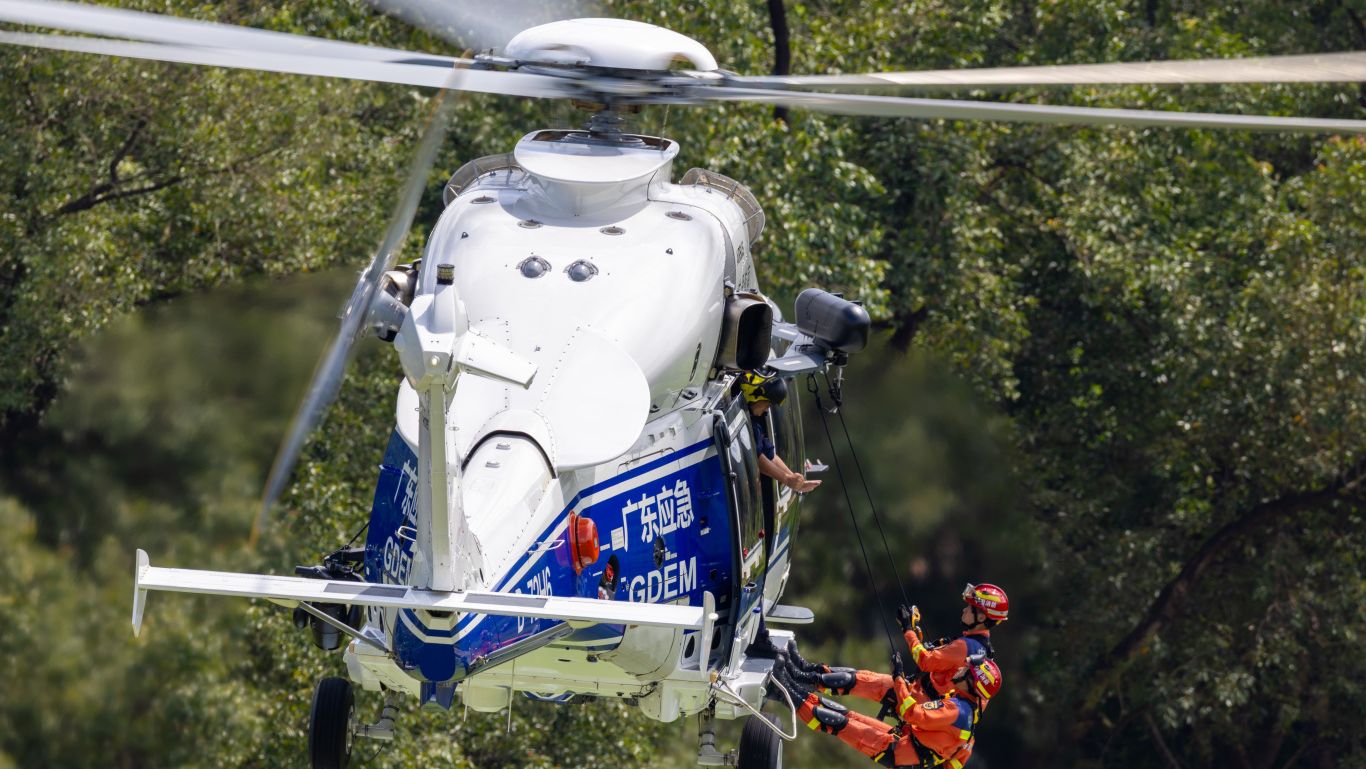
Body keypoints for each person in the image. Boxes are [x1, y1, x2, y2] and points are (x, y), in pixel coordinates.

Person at [785, 583, 1009, 714]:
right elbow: (936, 656)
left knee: (858, 681)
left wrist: (908, 629)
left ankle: (797, 680)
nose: (964, 611)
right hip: (920, 695)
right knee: (860, 677)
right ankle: (804, 671)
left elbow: (925, 660)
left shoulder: (967, 646)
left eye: (970, 608)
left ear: (982, 616)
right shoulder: (978, 646)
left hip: (917, 699)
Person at [770, 648, 1001, 769]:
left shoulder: (957, 709)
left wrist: (899, 677)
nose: (959, 670)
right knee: (845, 716)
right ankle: (786, 689)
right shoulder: (970, 713)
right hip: (904, 747)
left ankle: (784, 690)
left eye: (965, 671)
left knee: (836, 722)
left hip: (900, 752)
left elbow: (913, 713)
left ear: (972, 681)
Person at [739, 373, 820, 493]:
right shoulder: (744, 421)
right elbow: (757, 459)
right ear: (755, 396)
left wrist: (795, 481)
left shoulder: (754, 423)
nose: (767, 409)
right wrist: (786, 479)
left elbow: (769, 454)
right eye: (768, 404)